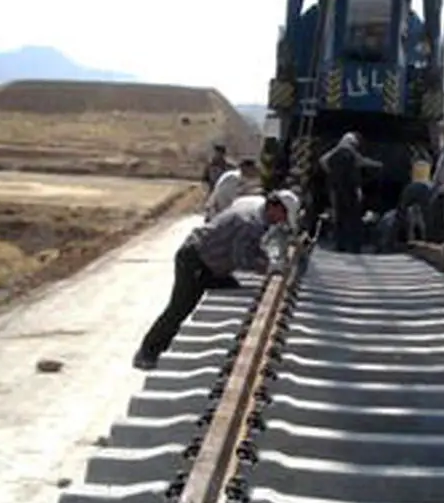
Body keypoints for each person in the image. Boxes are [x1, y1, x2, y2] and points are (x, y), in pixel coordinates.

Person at [133, 190, 300, 370]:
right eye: (283, 216)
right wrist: (269, 268)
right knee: (180, 307)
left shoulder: (256, 207)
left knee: (230, 284)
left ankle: (153, 349)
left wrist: (268, 260)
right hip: (195, 260)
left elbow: (251, 246)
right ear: (275, 207)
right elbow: (241, 258)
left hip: (210, 262)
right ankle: (148, 352)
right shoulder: (249, 223)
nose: (282, 221)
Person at [319, 132, 382, 254]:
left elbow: (322, 161)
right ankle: (354, 246)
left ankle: (340, 245)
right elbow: (359, 166)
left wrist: (331, 172)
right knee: (354, 218)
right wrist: (378, 164)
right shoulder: (352, 154)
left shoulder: (335, 153)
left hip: (337, 190)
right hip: (350, 191)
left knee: (340, 217)